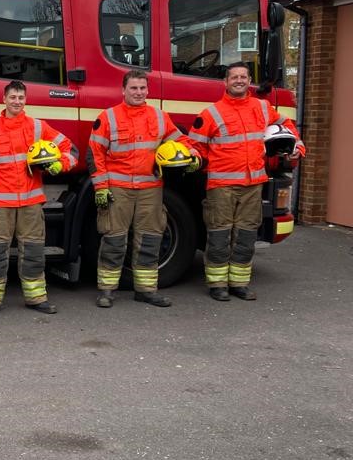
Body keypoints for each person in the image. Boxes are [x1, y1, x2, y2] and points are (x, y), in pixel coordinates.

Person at [187, 62, 305, 301]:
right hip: (222, 186)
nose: (239, 80)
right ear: (226, 82)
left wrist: (297, 147)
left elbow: (288, 127)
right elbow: (194, 146)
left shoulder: (262, 108)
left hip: (253, 184)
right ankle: (217, 284)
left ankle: (239, 283)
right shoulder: (211, 113)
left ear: (249, 80)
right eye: (234, 77)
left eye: (243, 76)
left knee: (246, 235)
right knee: (220, 236)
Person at [87, 70, 200, 308]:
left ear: (148, 91)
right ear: (123, 90)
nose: (138, 93)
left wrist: (193, 154)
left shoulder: (159, 117)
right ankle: (107, 291)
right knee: (114, 239)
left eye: (142, 88)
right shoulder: (108, 117)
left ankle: (147, 290)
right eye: (133, 88)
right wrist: (100, 187)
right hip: (118, 188)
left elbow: (179, 140)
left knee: (150, 239)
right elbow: (95, 154)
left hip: (150, 187)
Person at [0, 80, 77, 316]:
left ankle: (36, 298)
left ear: (25, 100)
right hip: (0, 204)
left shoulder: (38, 128)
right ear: (4, 99)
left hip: (30, 203)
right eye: (13, 97)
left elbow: (71, 149)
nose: (17, 101)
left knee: (33, 252)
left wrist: (59, 165)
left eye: (21, 97)